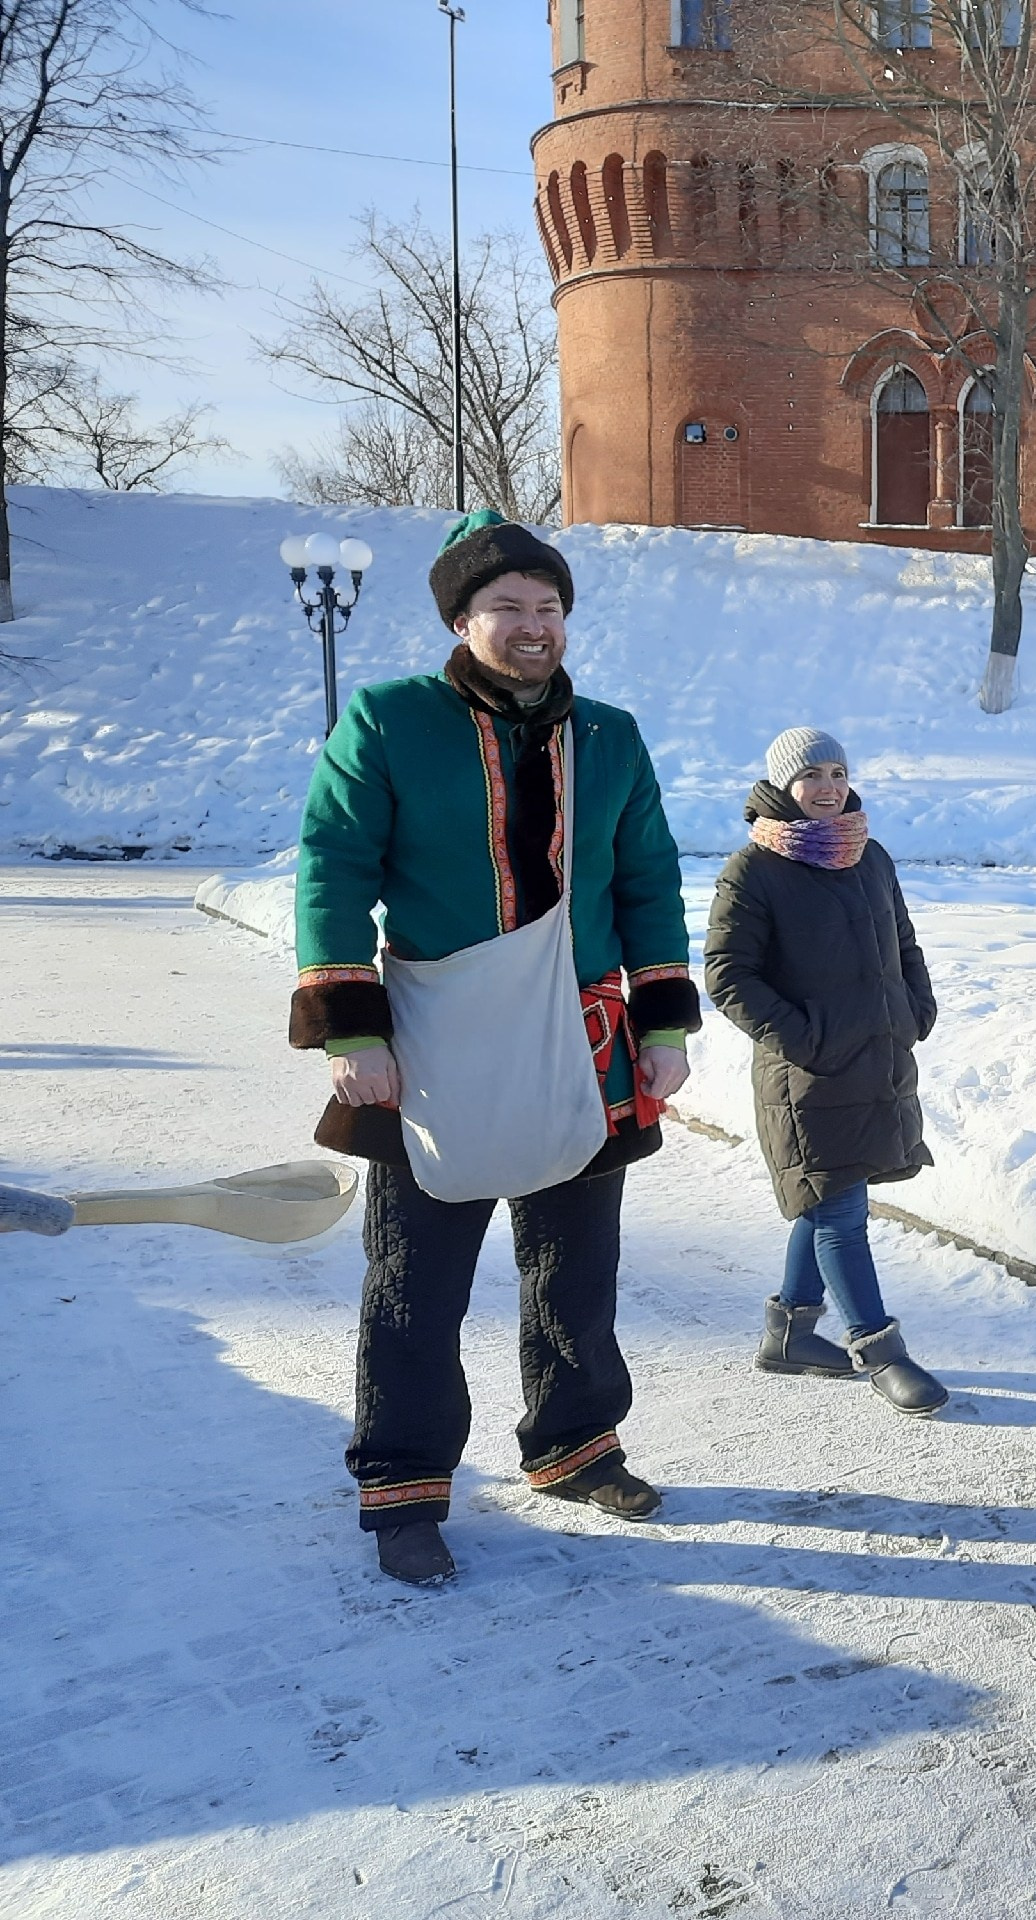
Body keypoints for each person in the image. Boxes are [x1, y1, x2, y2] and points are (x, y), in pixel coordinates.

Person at [290, 512, 702, 1587]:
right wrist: (350, 1029)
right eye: (509, 608)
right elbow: (333, 866)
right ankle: (407, 1487)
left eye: (549, 608)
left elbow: (649, 879)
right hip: (437, 1039)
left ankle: (574, 1445)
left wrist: (662, 1025)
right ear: (463, 618)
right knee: (415, 1281)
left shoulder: (609, 735)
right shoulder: (388, 721)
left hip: (586, 1036)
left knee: (575, 1269)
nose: (533, 627)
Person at [703, 727, 947, 1414]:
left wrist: (914, 1010)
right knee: (840, 1208)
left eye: (837, 772)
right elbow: (727, 975)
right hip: (805, 1076)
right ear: (785, 786)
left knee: (829, 1194)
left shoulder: (870, 858)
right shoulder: (754, 870)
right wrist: (806, 1038)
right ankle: (879, 1349)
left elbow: (903, 943)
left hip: (877, 1059)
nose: (829, 786)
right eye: (812, 775)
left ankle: (790, 1335)